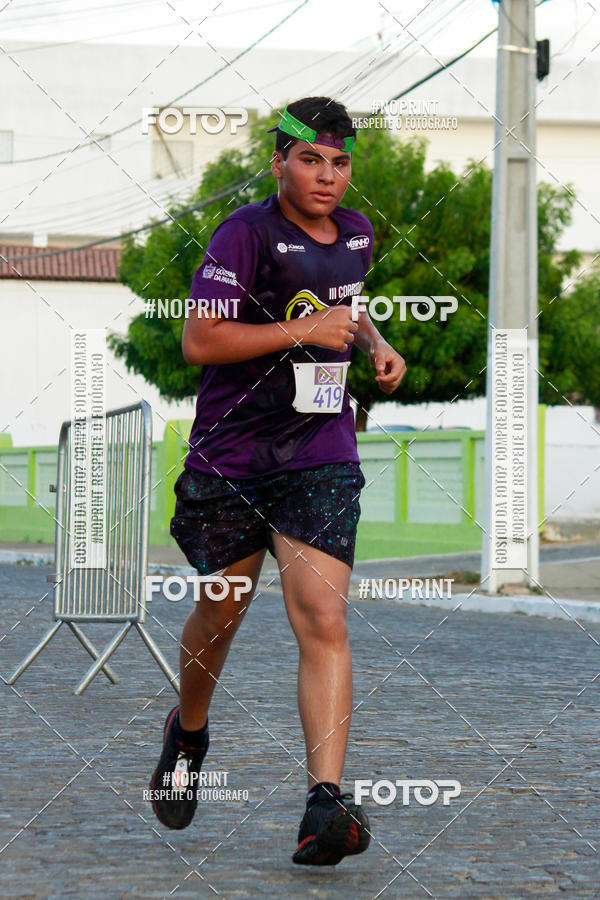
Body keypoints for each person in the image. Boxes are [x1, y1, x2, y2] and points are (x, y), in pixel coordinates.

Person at [149, 96, 406, 866]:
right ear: (279, 162)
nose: (327, 175)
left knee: (323, 616)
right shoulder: (245, 234)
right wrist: (305, 329)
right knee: (221, 613)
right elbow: (200, 339)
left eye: (340, 162)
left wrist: (374, 342)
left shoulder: (357, 234)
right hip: (233, 457)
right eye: (310, 159)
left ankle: (324, 805)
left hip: (320, 453)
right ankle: (188, 733)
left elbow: (346, 308)